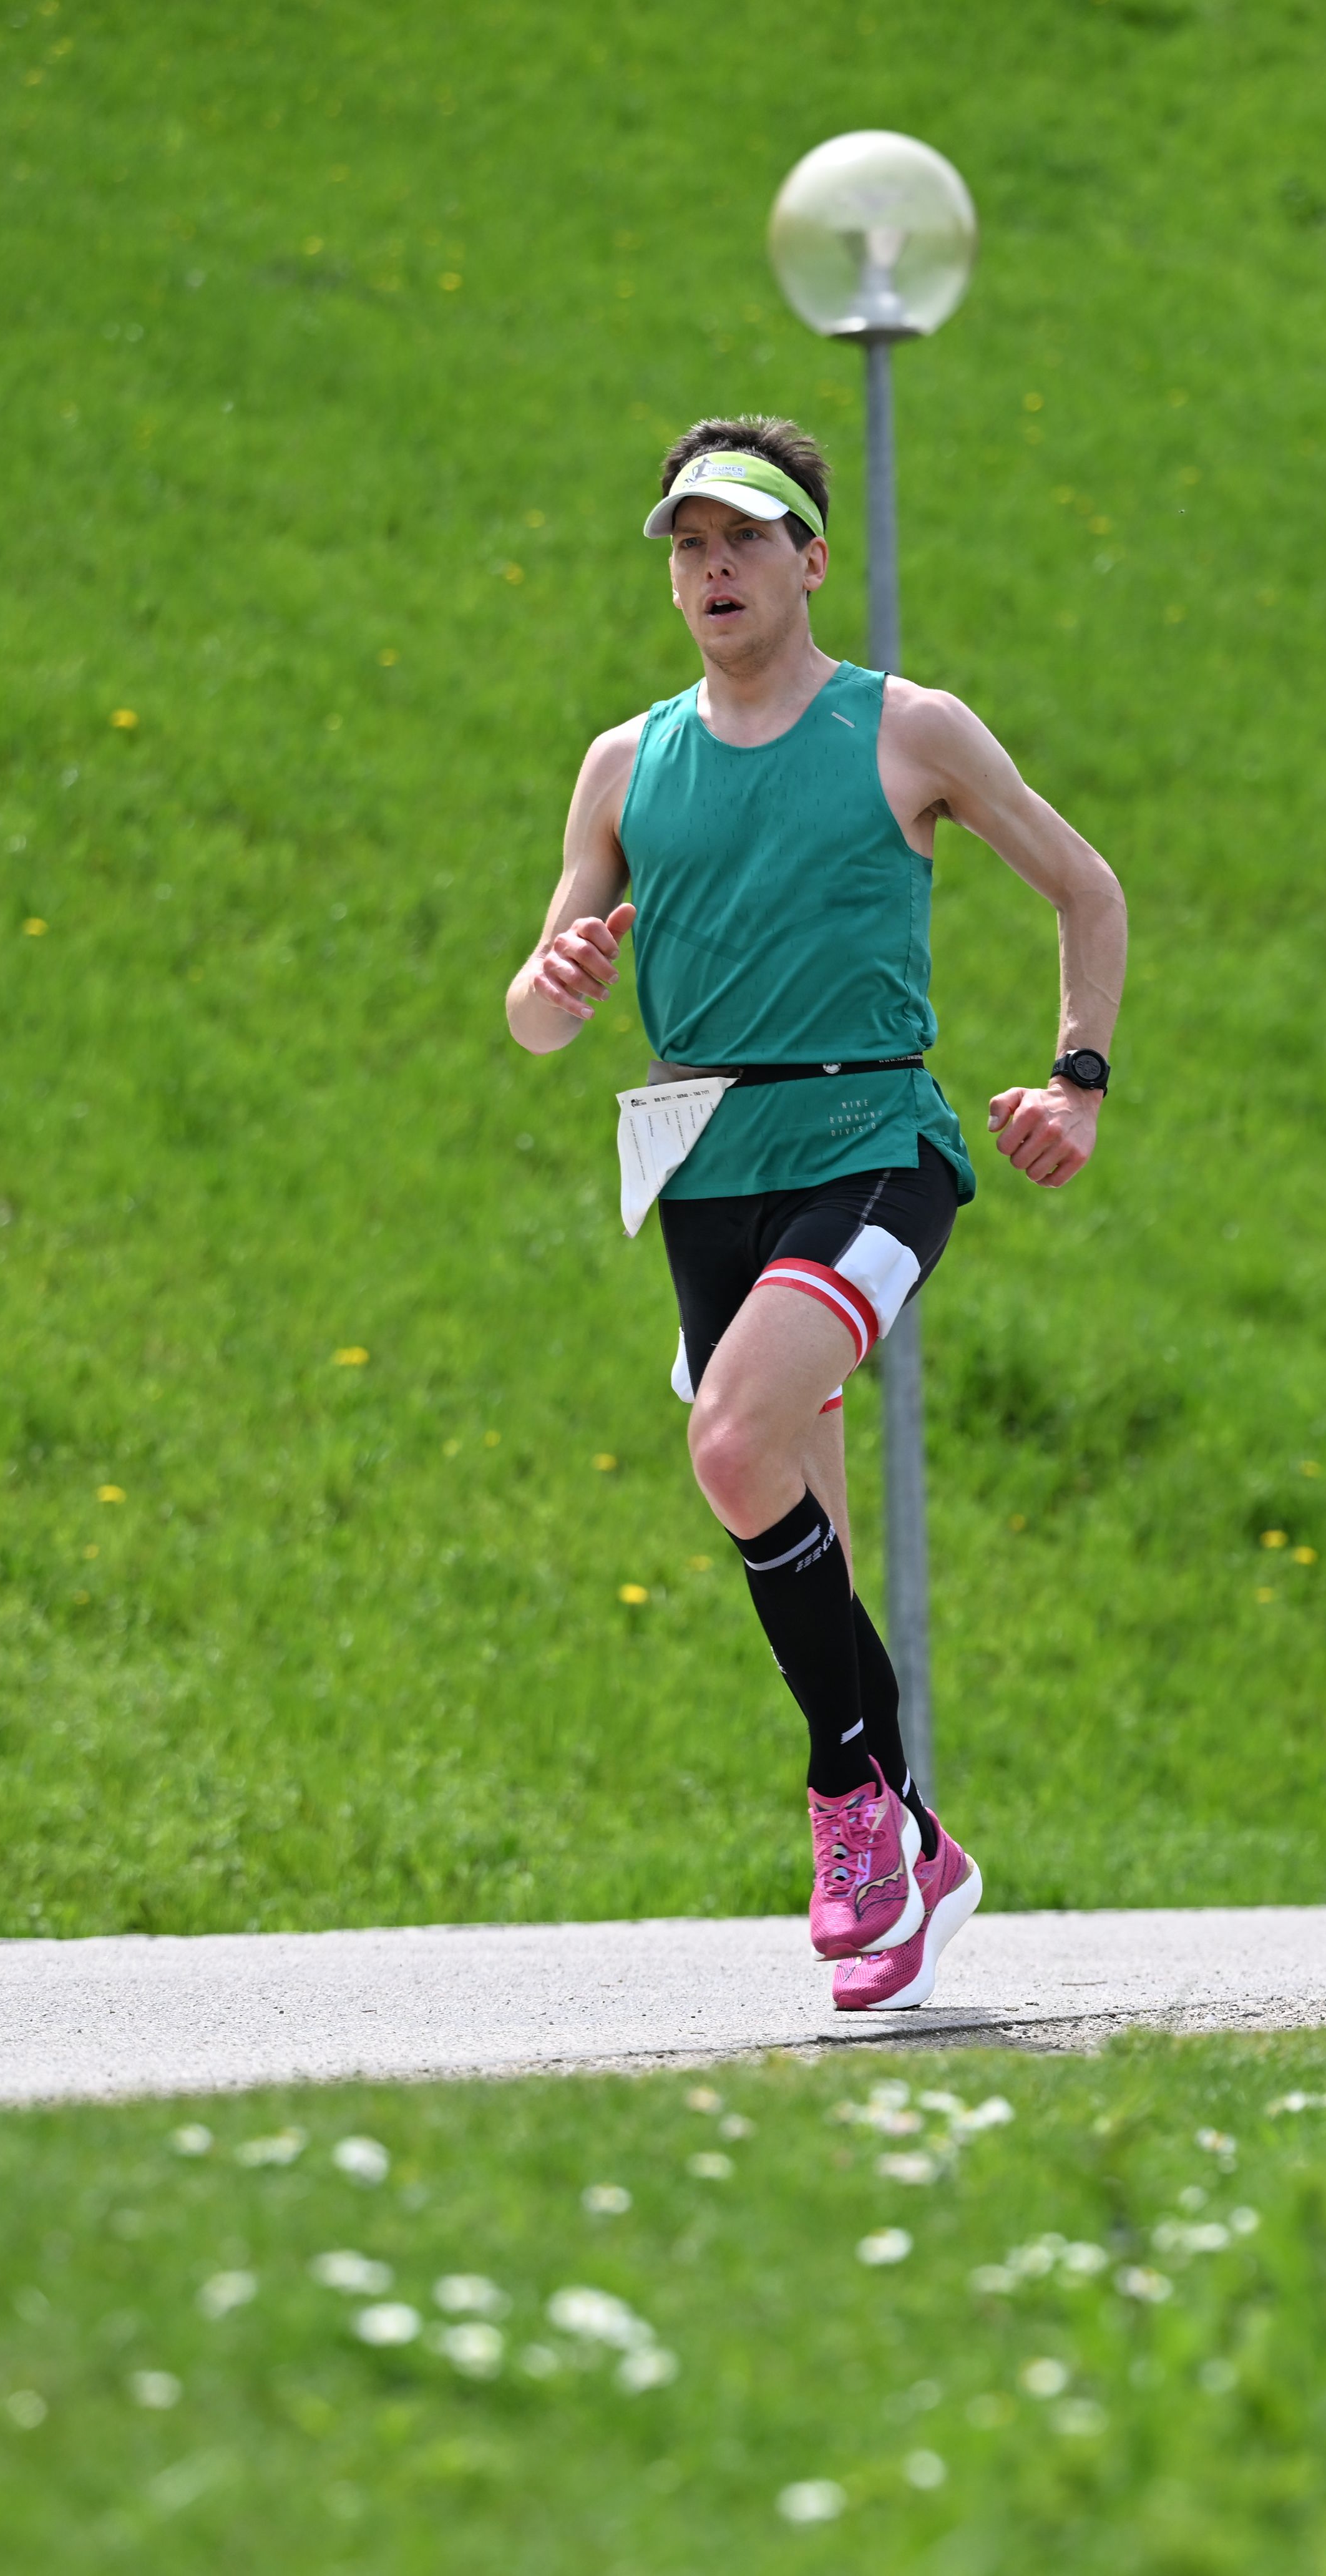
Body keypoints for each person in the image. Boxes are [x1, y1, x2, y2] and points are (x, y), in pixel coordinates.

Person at [507, 419, 1128, 2012]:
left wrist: (1078, 1082)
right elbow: (538, 1015)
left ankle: (848, 1804)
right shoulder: (624, 761)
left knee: (729, 1446)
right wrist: (558, 980)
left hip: (872, 1136)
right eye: (689, 546)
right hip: (704, 1160)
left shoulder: (906, 730)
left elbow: (1087, 888)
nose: (713, 569)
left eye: (744, 540)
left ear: (812, 561)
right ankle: (914, 1847)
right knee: (799, 1520)